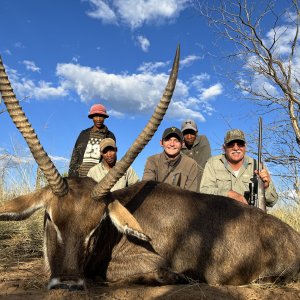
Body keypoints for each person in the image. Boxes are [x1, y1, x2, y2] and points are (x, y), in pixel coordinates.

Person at [200, 129, 278, 206]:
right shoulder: (212, 163)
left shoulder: (258, 165)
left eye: (240, 144)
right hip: (221, 215)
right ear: (224, 148)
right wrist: (228, 194)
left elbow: (272, 202)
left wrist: (266, 187)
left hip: (251, 215)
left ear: (245, 147)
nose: (236, 148)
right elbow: (204, 192)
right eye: (231, 144)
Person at [142, 127, 198, 192]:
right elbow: (146, 189)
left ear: (182, 144)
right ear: (161, 143)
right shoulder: (152, 160)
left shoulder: (191, 164)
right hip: (155, 201)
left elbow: (190, 195)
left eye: (176, 140)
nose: (172, 144)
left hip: (181, 202)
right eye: (168, 140)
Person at [68, 104, 116, 177]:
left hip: (99, 178)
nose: (98, 119)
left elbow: (111, 158)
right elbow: (75, 156)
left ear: (105, 117)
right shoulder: (83, 134)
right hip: (80, 178)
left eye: (101, 116)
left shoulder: (110, 136)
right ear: (92, 117)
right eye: (96, 116)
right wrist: (72, 176)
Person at [181, 119, 211, 191]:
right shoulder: (179, 146)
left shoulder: (202, 139)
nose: (189, 137)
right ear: (181, 134)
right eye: (186, 133)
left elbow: (203, 165)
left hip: (203, 183)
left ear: (196, 133)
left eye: (192, 133)